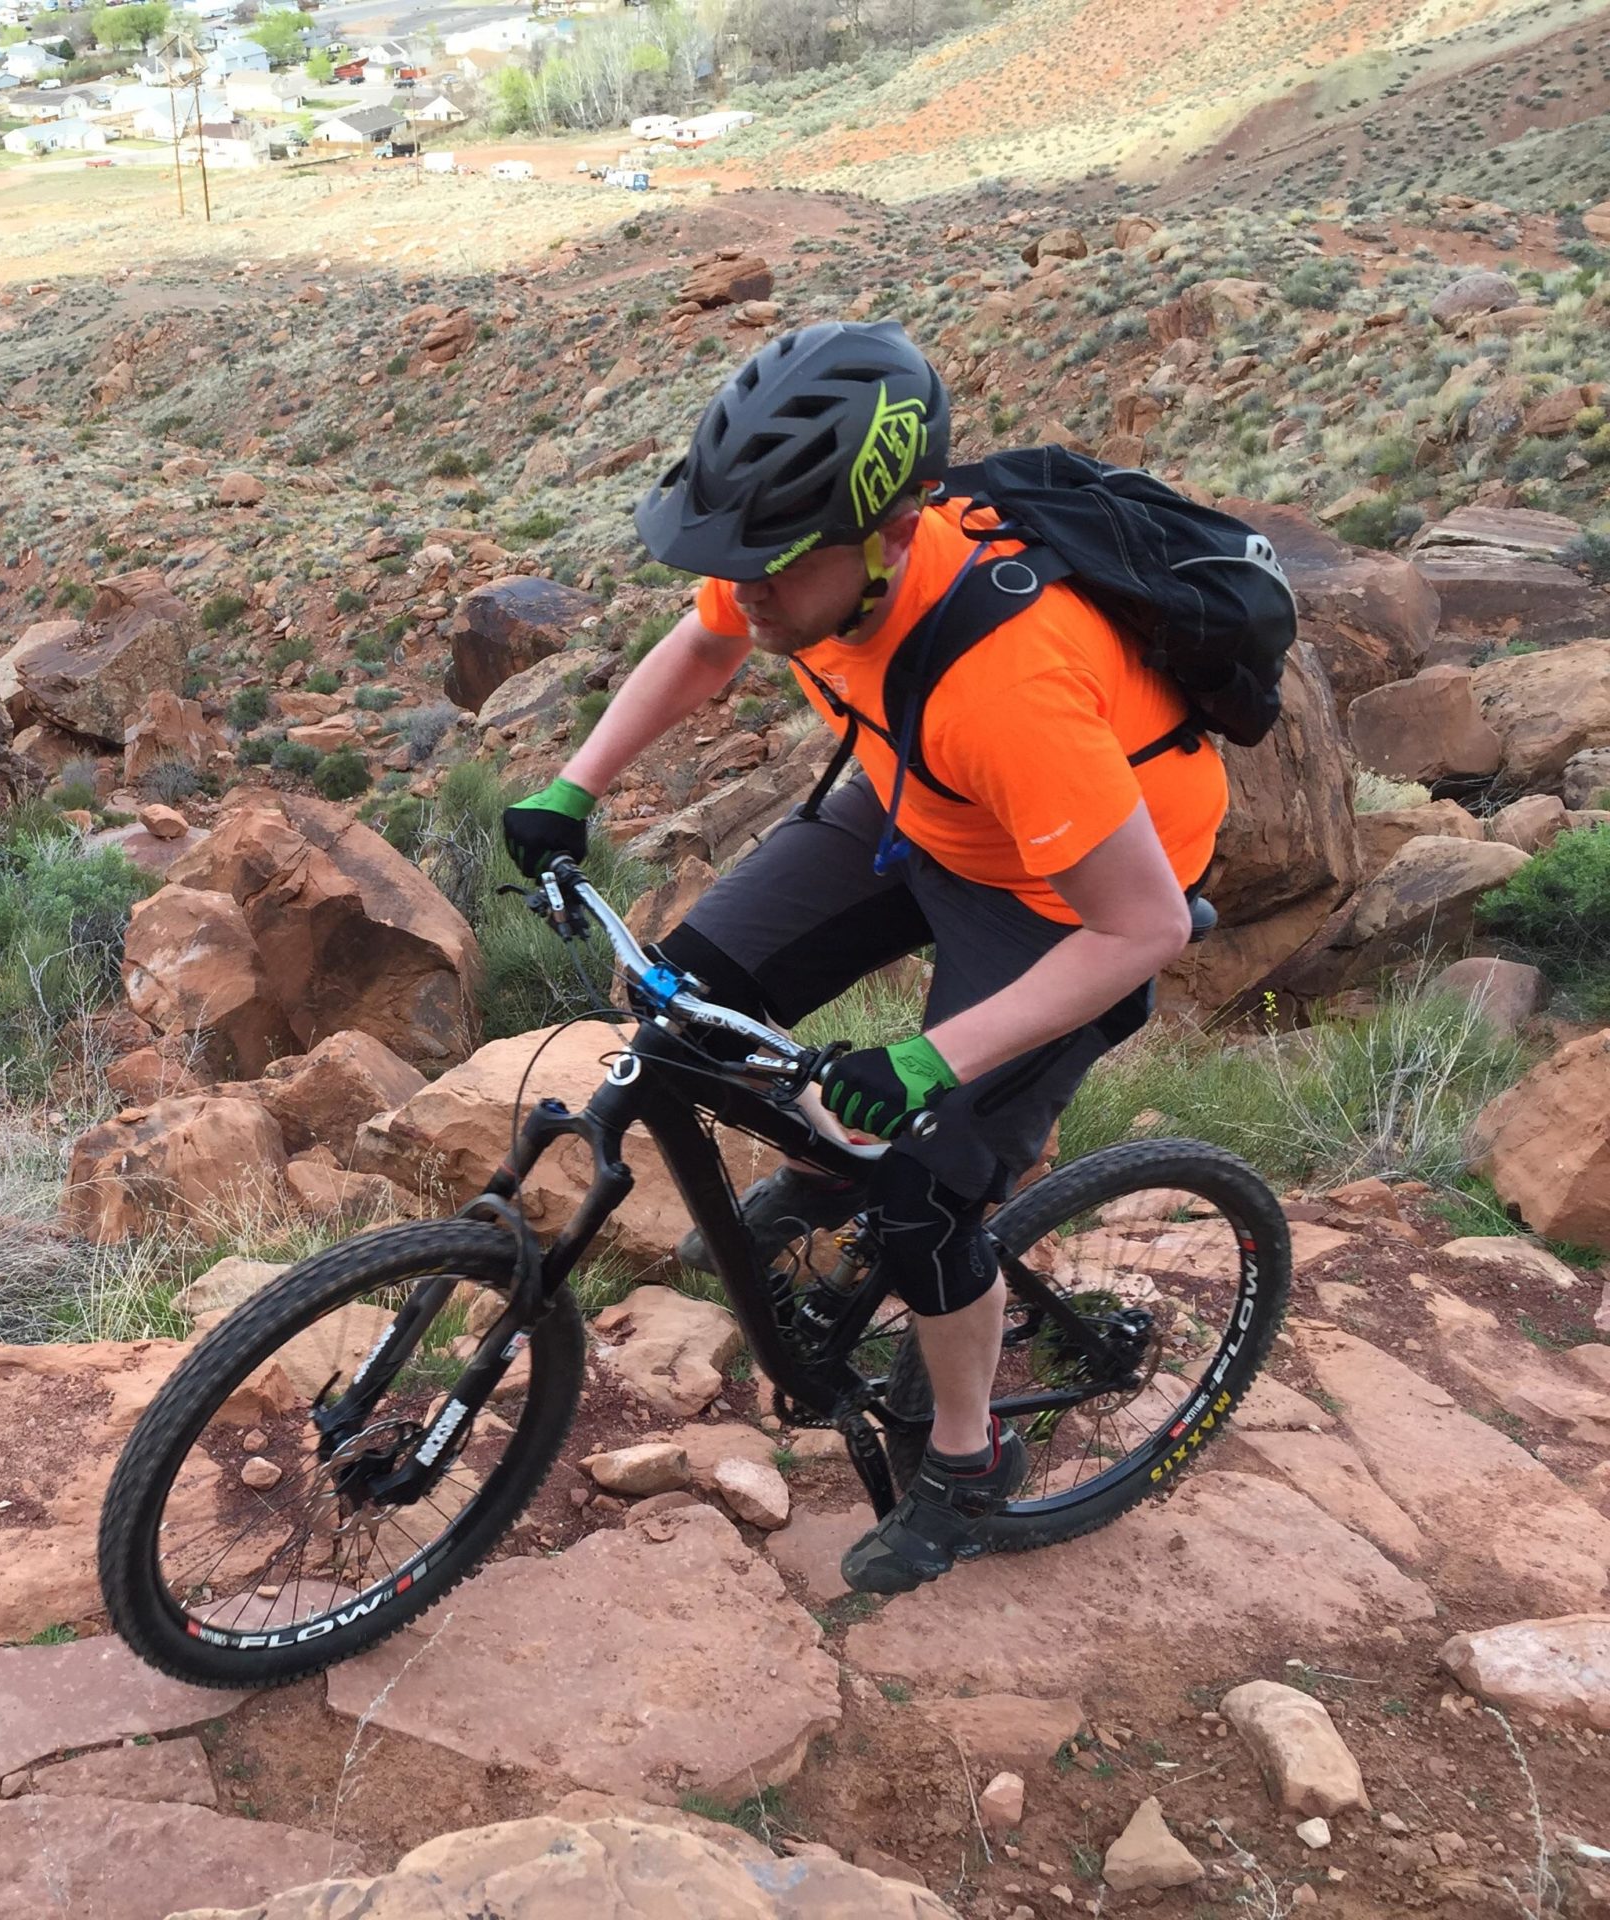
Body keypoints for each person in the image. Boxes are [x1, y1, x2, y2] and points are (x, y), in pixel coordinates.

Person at [499, 322, 1227, 1594]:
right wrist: (572, 786)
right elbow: (709, 640)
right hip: (913, 806)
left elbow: (1144, 928)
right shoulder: (789, 550)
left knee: (927, 1186)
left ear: (889, 540)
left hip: (1069, 889)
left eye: (772, 569)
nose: (749, 588)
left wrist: (929, 1058)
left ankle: (965, 1458)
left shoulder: (1010, 681)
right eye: (736, 560)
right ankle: (830, 1178)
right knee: (686, 1011)